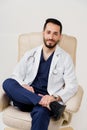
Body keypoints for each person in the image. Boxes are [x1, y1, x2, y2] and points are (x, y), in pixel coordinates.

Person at [2, 18, 78, 130]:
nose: (51, 37)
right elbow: (15, 75)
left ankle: (44, 103)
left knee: (41, 113)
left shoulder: (65, 58)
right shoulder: (30, 54)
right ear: (43, 33)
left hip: (48, 99)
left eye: (55, 34)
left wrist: (53, 97)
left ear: (59, 36)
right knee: (8, 83)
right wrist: (24, 86)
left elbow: (72, 85)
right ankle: (42, 102)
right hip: (26, 98)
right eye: (48, 32)